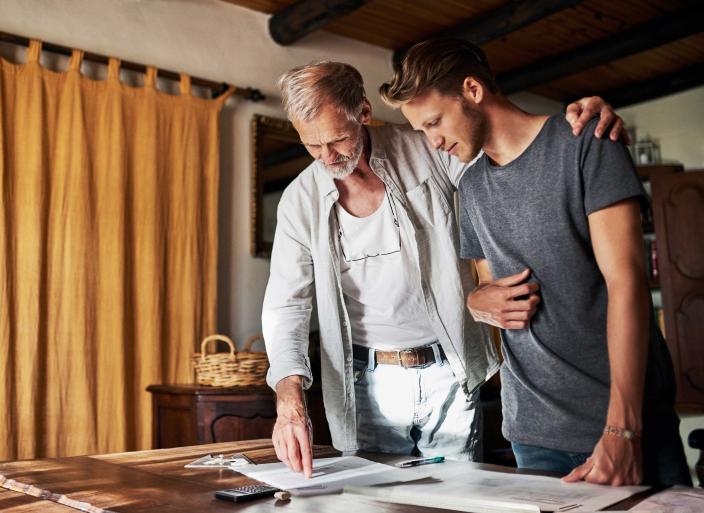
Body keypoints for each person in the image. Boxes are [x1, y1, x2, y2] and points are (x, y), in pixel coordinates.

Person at [264, 60, 627, 478]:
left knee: (456, 498)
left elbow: (505, 158)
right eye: (312, 145)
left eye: (338, 139)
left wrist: (569, 133)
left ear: (363, 111)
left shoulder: (426, 146)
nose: (327, 156)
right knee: (374, 501)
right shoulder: (299, 201)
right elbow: (286, 306)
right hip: (362, 383)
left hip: (448, 372)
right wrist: (289, 400)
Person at [381, 38, 691, 486]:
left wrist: (622, 429)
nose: (434, 141)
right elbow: (490, 293)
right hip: (532, 434)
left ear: (472, 90)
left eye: (434, 122)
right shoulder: (471, 188)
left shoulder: (585, 142)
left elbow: (628, 283)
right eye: (422, 131)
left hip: (625, 425)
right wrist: (476, 302)